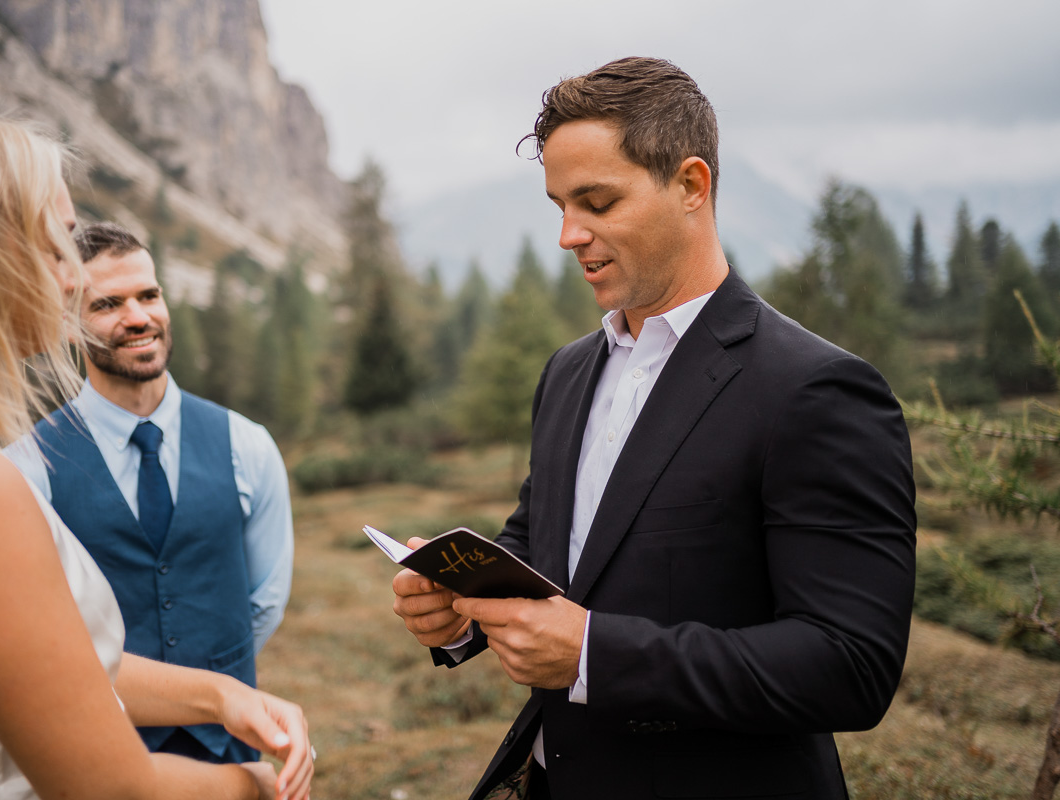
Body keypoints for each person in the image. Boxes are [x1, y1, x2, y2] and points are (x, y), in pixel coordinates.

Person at [392, 57, 916, 800]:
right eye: (559, 205)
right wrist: (456, 611)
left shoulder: (816, 390)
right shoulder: (568, 372)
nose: (569, 235)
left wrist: (593, 654)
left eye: (597, 202)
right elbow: (546, 546)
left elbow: (850, 665)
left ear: (692, 186)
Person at [0, 104, 311, 800]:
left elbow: (32, 660)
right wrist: (255, 786)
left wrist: (218, 696)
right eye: (58, 242)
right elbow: (114, 791)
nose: (73, 277)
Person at [5, 221, 295, 765]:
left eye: (149, 295)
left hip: (231, 742)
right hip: (96, 750)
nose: (138, 317)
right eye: (107, 304)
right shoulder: (27, 465)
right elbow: (39, 631)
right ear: (67, 325)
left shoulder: (247, 446)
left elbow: (266, 599)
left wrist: (214, 684)